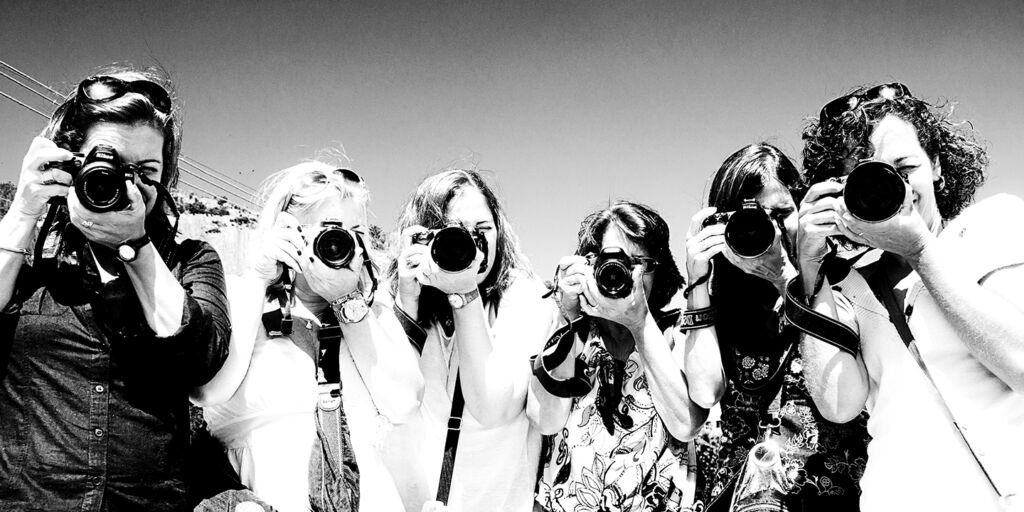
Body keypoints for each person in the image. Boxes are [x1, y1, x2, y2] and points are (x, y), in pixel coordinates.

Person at [0, 67, 230, 510]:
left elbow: (203, 359)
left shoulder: (190, 260)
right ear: (71, 163)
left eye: (146, 171)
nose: (128, 185)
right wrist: (23, 211)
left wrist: (136, 248)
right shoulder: (28, 260)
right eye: (111, 166)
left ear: (166, 176)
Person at [797, 83, 1024, 511]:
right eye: (867, 176)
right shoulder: (847, 285)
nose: (892, 186)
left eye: (904, 168)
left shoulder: (993, 224)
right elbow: (839, 405)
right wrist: (811, 267)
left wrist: (919, 250)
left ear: (936, 164)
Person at [195, 162, 421, 512]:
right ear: (287, 230)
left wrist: (347, 302)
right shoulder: (242, 296)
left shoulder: (372, 313)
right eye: (329, 230)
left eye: (356, 231)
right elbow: (208, 390)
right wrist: (260, 276)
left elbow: (404, 404)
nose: (343, 242)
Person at [682, 143, 868, 511]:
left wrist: (785, 278)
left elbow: (841, 398)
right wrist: (697, 278)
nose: (770, 229)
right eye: (751, 218)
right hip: (737, 499)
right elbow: (704, 392)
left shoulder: (843, 283)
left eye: (781, 213)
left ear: (803, 210)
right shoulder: (717, 303)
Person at [383, 168, 553, 512]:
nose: (471, 244)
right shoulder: (402, 294)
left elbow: (493, 408)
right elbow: (393, 401)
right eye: (455, 232)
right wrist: (406, 300)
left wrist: (464, 294)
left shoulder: (525, 297)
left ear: (499, 231)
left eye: (482, 229)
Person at [531, 201, 705, 512]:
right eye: (610, 261)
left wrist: (639, 323)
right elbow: (545, 421)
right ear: (589, 265)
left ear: (658, 269)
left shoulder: (676, 332)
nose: (621, 273)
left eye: (638, 262)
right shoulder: (572, 334)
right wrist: (567, 316)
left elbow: (686, 424)